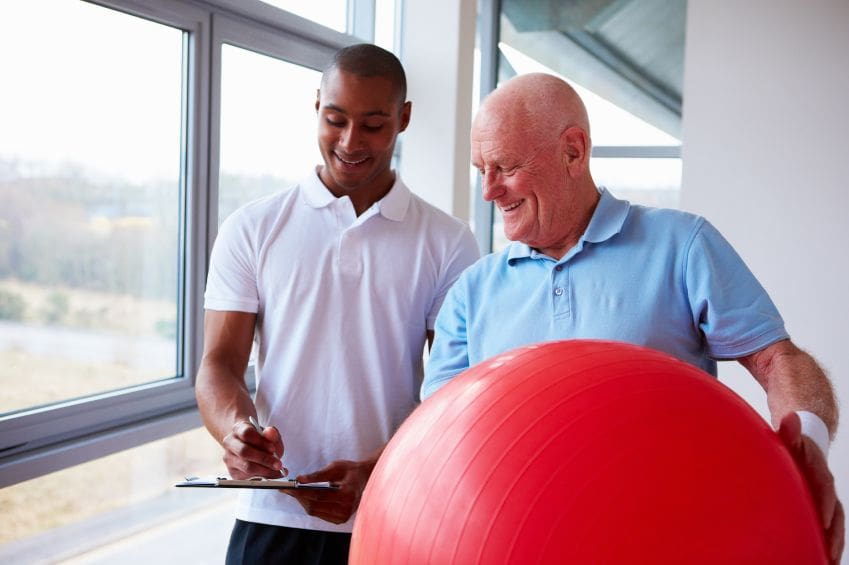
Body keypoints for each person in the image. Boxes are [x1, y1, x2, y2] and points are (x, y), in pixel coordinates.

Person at [422, 72, 844, 563]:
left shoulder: (682, 245)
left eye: (506, 166)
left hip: (666, 539)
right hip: (516, 545)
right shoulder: (470, 294)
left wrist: (806, 448)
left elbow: (776, 359)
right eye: (481, 170)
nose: (489, 191)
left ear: (574, 152)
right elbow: (439, 439)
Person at [195, 43, 479, 564]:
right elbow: (219, 364)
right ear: (317, 108)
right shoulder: (252, 228)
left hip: (395, 511)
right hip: (272, 516)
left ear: (404, 119)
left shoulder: (449, 243)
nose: (350, 142)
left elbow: (457, 393)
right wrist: (236, 430)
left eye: (373, 124)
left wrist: (374, 469)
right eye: (335, 119)